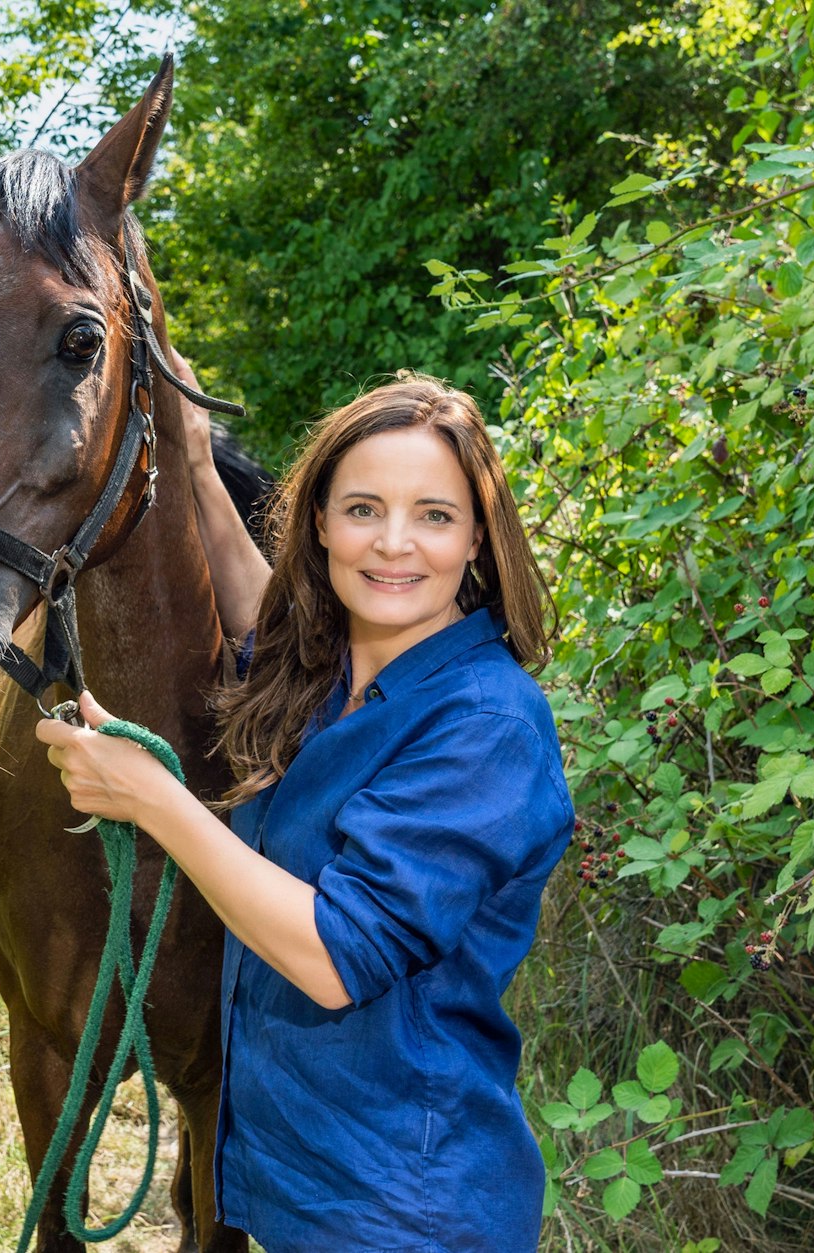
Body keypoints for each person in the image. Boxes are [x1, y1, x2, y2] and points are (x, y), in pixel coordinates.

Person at [35, 362, 574, 1250]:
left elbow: (336, 956)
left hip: (405, 1211)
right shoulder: (338, 676)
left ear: (478, 537)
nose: (392, 543)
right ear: (319, 521)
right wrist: (202, 471)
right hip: (302, 1191)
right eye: (363, 509)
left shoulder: (487, 723)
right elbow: (263, 632)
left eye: (434, 516)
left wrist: (158, 803)